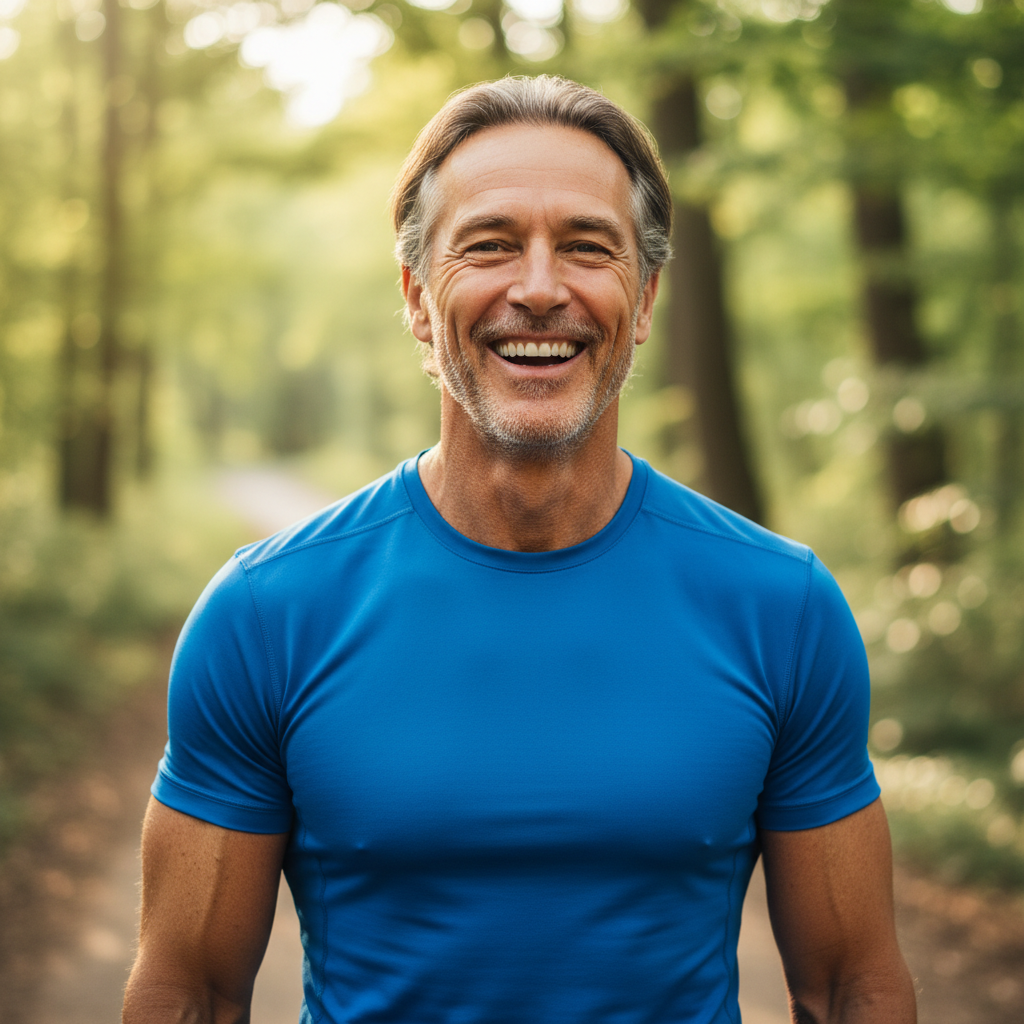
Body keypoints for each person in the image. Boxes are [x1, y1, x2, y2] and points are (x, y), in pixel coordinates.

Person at [123, 76, 916, 1024]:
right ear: (419, 298)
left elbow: (849, 988)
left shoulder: (782, 608)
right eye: (491, 246)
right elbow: (192, 994)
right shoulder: (265, 614)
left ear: (647, 295)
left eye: (587, 248)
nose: (539, 290)